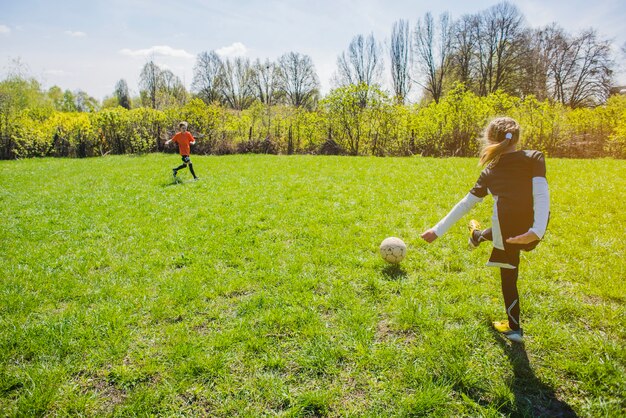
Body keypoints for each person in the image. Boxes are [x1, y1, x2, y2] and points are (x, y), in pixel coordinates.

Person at [420, 117, 550, 343]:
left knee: (509, 278)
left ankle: (515, 328)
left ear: (490, 139)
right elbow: (541, 195)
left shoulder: (491, 171)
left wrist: (437, 230)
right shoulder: (535, 157)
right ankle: (477, 236)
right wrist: (537, 230)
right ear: (517, 138)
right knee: (504, 234)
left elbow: (465, 204)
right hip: (533, 225)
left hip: (509, 232)